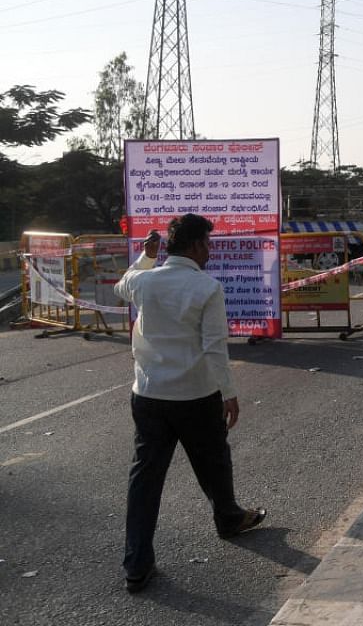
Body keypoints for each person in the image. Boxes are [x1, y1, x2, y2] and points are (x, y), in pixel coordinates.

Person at [113, 215, 265, 594]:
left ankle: (136, 563)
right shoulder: (206, 287)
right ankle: (228, 518)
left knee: (145, 480)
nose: (210, 251)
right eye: (208, 244)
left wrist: (145, 258)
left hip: (148, 396)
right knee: (213, 461)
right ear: (197, 246)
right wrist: (229, 393)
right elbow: (215, 346)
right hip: (196, 396)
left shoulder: (144, 280)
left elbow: (121, 285)